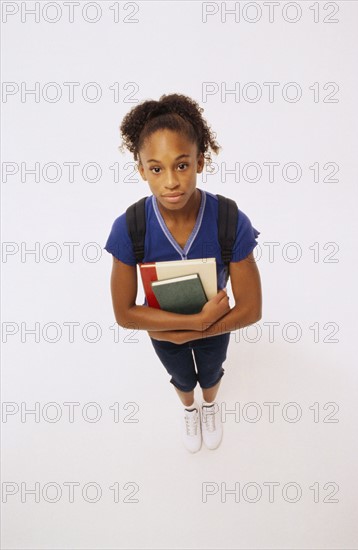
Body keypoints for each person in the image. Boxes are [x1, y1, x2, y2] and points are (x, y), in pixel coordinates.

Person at [104, 93, 262, 453]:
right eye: (156, 168)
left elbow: (251, 309)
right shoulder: (130, 228)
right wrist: (189, 326)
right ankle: (189, 408)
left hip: (219, 326)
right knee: (180, 377)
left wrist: (203, 327)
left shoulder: (229, 220)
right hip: (163, 329)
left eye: (182, 165)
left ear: (200, 162)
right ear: (142, 169)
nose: (171, 181)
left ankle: (209, 405)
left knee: (211, 371)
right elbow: (124, 314)